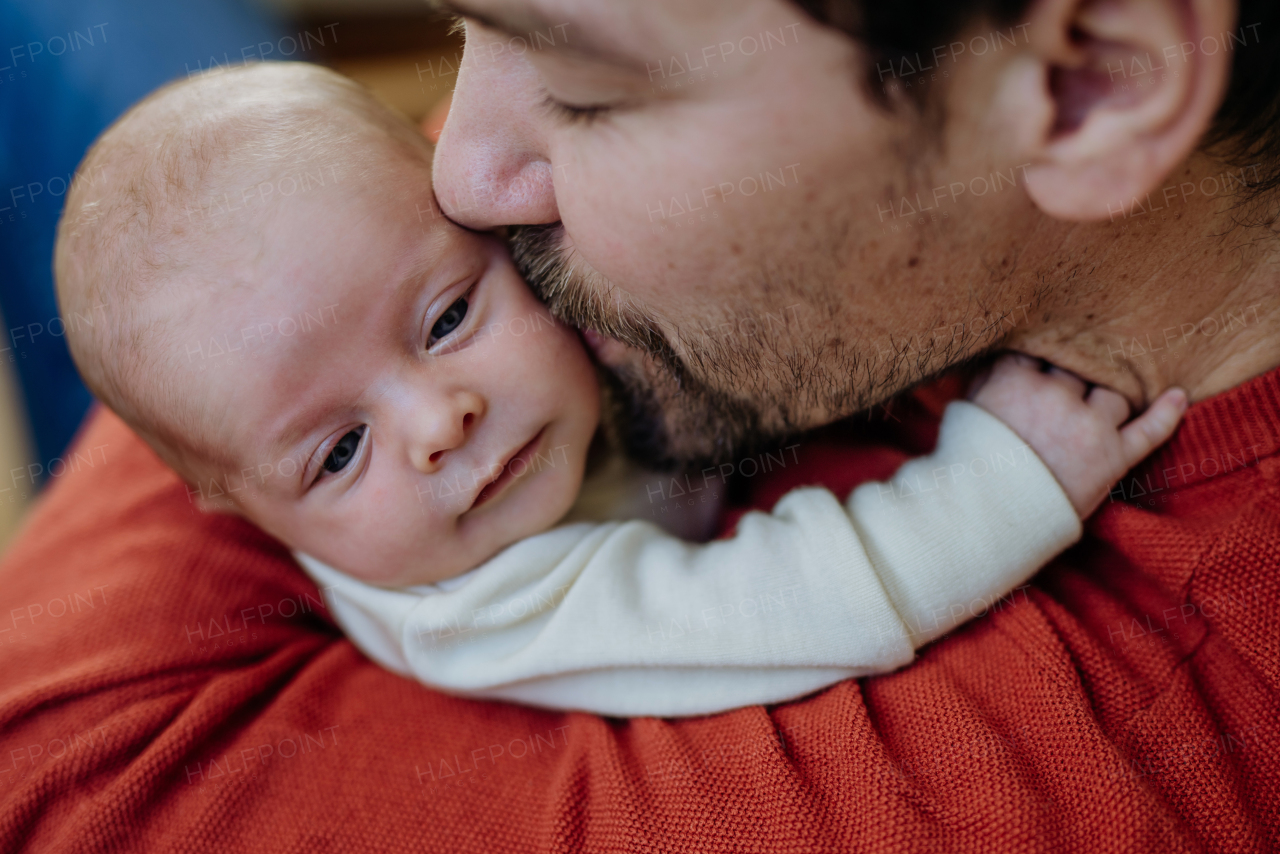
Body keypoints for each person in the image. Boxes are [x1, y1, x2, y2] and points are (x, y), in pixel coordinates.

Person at [0, 0, 1276, 848]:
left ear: (1085, 81)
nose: (457, 177)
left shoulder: (1109, 751)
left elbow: (60, 759)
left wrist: (999, 478)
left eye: (585, 90)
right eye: (463, 22)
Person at [54, 63, 1183, 717]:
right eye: (335, 453)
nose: (437, 421)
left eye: (449, 318)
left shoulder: (525, 282)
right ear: (240, 509)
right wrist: (1002, 478)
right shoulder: (472, 608)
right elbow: (782, 610)